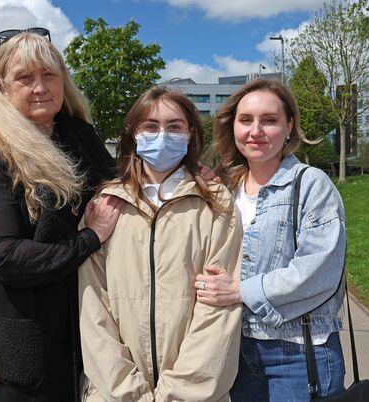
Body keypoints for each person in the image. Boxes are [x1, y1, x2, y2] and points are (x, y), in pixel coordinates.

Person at [0, 29, 124, 401]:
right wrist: (89, 238)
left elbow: (124, 187)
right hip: (33, 340)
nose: (40, 88)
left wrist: (189, 174)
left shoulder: (80, 135)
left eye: (49, 75)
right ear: (1, 85)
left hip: (90, 324)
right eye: (25, 77)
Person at [78, 87, 243, 401]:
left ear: (190, 133)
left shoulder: (217, 204)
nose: (162, 135)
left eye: (174, 126)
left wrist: (176, 395)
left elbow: (218, 314)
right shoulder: (105, 205)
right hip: (114, 394)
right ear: (134, 134)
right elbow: (92, 309)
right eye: (150, 126)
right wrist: (130, 393)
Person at [194, 78, 347, 401]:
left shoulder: (310, 185)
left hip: (298, 354)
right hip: (236, 349)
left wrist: (240, 290)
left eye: (270, 120)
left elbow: (319, 270)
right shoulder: (225, 189)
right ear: (232, 126)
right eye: (246, 120)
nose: (256, 131)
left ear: (289, 126)